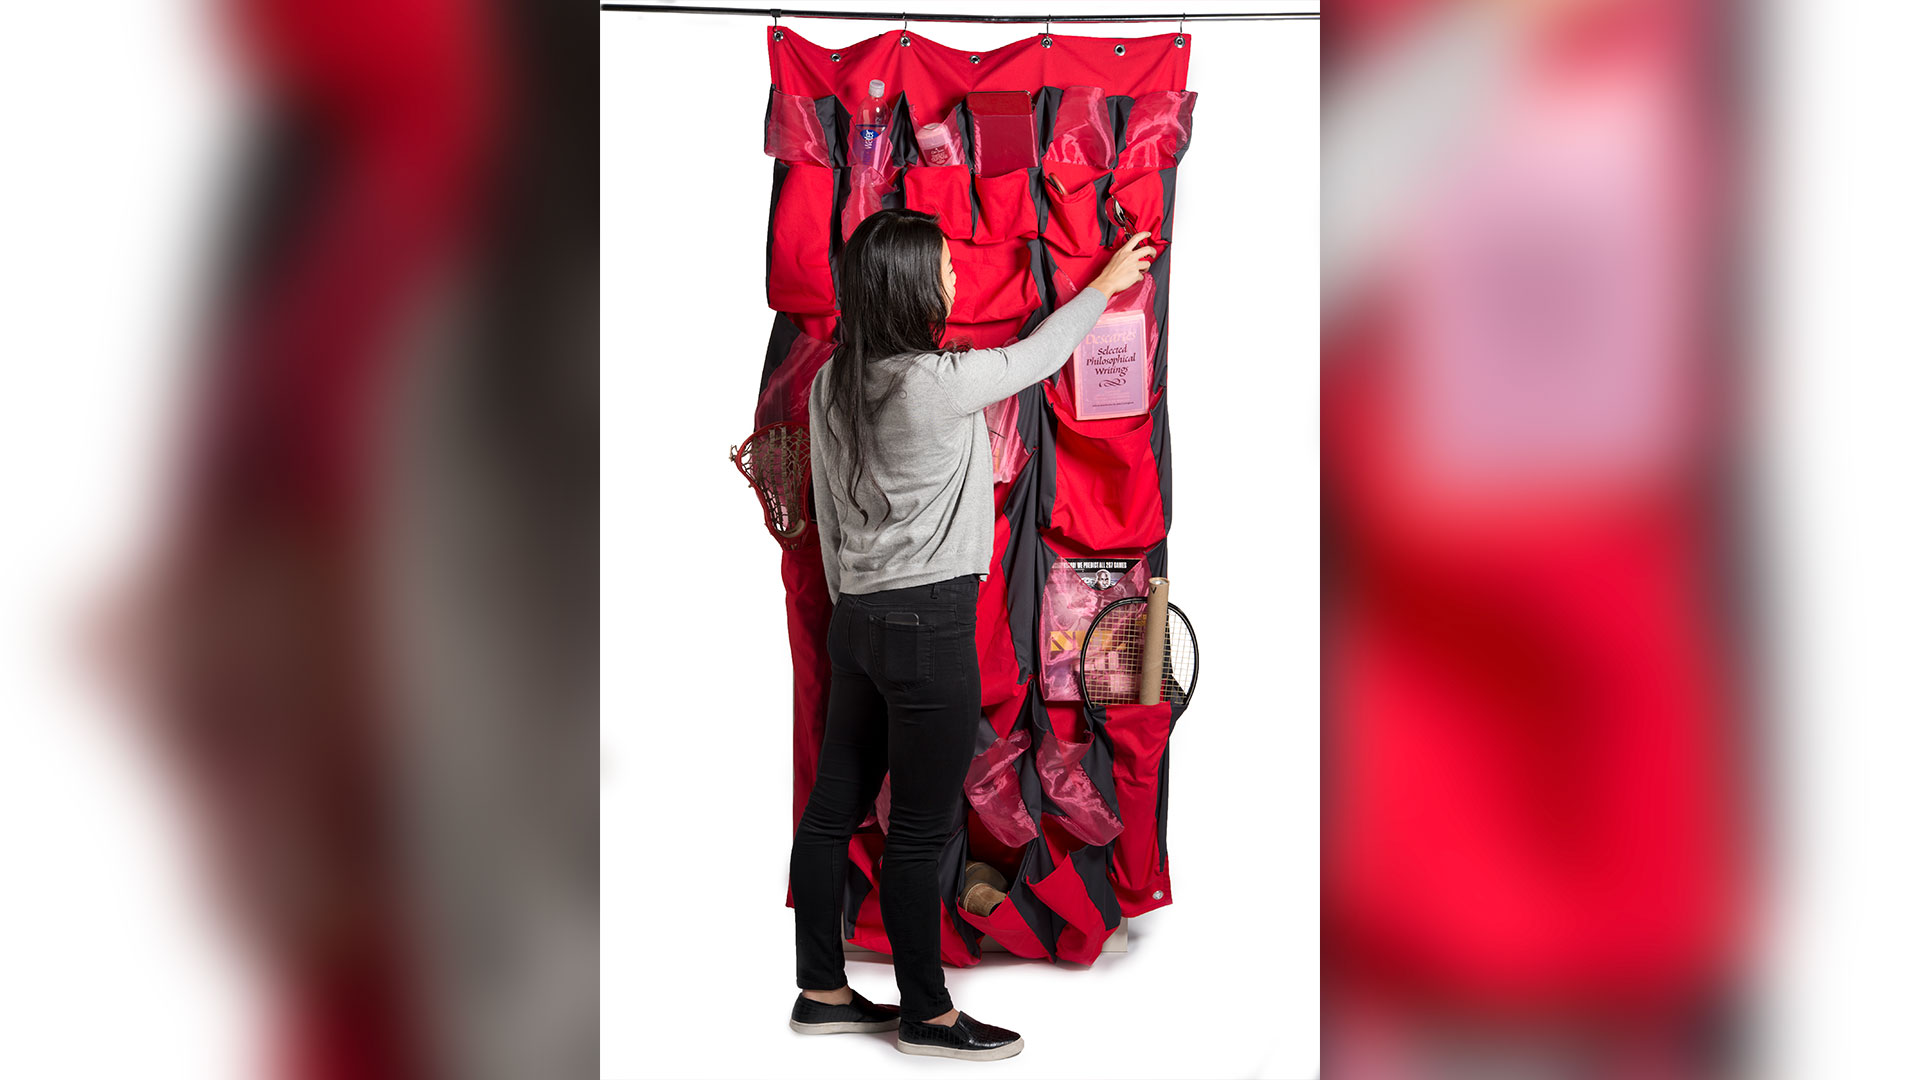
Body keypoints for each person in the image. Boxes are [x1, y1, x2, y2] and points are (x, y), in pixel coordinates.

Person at [789, 208, 1156, 1060]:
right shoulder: (934, 381)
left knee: (831, 810)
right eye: (947, 269)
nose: (956, 281)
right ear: (913, 285)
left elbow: (831, 523)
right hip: (927, 625)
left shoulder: (829, 384)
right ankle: (929, 1014)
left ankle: (821, 990)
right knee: (922, 827)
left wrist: (858, 611)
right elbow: (1040, 358)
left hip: (861, 622)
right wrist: (1104, 284)